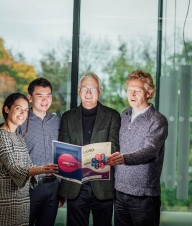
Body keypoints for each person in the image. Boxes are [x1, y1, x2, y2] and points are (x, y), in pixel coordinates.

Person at [58, 72, 121, 226]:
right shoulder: (67, 117)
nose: (88, 93)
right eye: (84, 88)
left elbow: (115, 147)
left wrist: (91, 155)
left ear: (99, 92)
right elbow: (63, 152)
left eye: (92, 89)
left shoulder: (113, 116)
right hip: (75, 187)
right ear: (79, 91)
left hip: (103, 186)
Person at [107, 69, 168, 226]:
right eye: (129, 90)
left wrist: (124, 159)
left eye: (137, 91)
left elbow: (150, 150)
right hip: (119, 191)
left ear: (148, 93)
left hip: (144, 196)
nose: (132, 95)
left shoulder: (157, 120)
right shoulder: (124, 115)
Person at [0, 92, 58, 226]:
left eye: (26, 110)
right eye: (18, 108)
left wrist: (44, 167)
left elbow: (28, 163)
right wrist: (42, 169)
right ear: (7, 109)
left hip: (21, 200)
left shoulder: (18, 136)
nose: (23, 113)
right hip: (4, 200)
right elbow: (16, 170)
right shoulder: (0, 135)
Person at [18, 78, 61, 226]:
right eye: (40, 95)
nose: (45, 100)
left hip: (53, 187)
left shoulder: (57, 121)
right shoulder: (20, 121)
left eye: (48, 95)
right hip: (28, 188)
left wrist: (61, 189)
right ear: (29, 97)